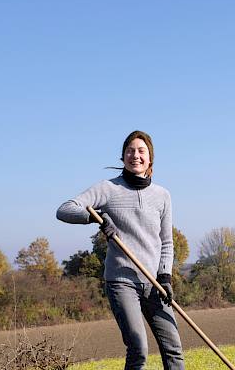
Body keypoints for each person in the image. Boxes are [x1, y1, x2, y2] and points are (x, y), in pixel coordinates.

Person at [56, 130, 184, 370]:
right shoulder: (108, 189)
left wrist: (165, 276)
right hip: (121, 281)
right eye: (130, 151)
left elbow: (166, 242)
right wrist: (97, 218)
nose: (135, 155)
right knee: (138, 348)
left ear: (150, 158)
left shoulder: (162, 195)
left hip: (155, 284)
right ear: (123, 156)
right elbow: (64, 209)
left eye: (141, 151)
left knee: (174, 349)